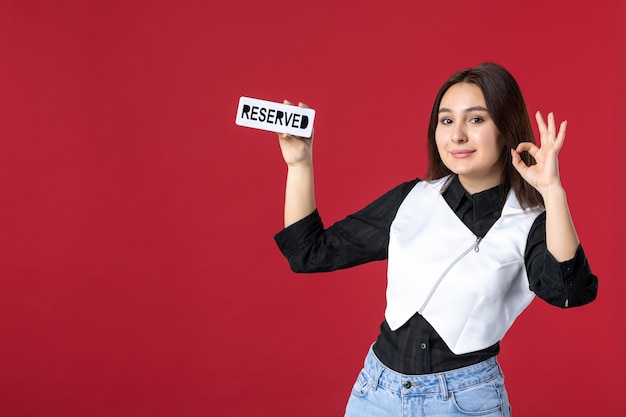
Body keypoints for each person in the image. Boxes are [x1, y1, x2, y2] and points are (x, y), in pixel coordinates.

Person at [273, 62, 598, 417]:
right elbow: (309, 253)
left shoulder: (531, 223)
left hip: (465, 402)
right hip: (376, 394)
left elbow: (569, 292)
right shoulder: (410, 199)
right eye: (446, 120)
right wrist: (299, 164)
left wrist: (552, 193)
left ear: (505, 128)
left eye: (475, 120)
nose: (457, 135)